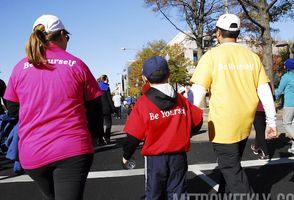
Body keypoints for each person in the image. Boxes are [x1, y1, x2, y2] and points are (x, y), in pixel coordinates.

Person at [4, 14, 103, 200]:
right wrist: (95, 136)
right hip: (72, 148)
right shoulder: (76, 64)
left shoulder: (19, 68)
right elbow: (95, 107)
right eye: (67, 37)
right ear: (61, 35)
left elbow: (12, 108)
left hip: (32, 153)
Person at [190, 13, 277, 195]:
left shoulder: (211, 56)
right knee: (229, 165)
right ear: (237, 33)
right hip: (245, 122)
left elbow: (197, 92)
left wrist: (186, 120)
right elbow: (264, 91)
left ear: (218, 33)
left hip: (223, 124)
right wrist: (271, 122)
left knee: (231, 170)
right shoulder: (252, 57)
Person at [122, 56, 203, 200]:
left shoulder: (143, 103)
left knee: (154, 193)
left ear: (144, 78)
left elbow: (133, 136)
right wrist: (184, 132)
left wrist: (126, 155)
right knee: (178, 192)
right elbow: (197, 122)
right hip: (178, 155)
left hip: (155, 159)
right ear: (169, 74)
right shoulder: (180, 99)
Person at [275, 58, 294, 153]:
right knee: (293, 124)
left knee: (286, 123)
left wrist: (275, 97)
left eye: (285, 64)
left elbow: (279, 90)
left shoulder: (286, 77)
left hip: (290, 104)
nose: (284, 65)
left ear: (288, 67)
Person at [98, 74, 115, 144]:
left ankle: (100, 140)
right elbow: (109, 99)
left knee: (100, 124)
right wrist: (113, 109)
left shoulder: (96, 86)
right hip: (106, 108)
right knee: (108, 123)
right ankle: (107, 136)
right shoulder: (106, 87)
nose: (108, 80)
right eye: (107, 79)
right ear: (105, 79)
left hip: (98, 107)